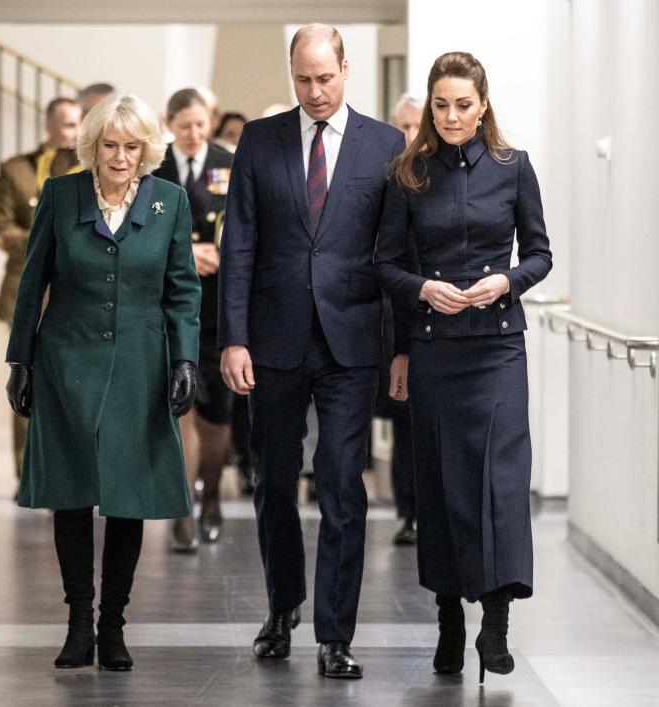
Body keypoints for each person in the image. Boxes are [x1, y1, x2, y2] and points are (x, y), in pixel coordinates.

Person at [218, 24, 405, 679]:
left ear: (346, 70)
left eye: (325, 78)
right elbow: (238, 242)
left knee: (341, 484)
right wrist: (233, 337)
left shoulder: (386, 145)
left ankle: (335, 633)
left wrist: (400, 346)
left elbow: (398, 253)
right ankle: (282, 606)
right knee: (273, 480)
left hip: (352, 341)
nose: (315, 91)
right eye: (303, 79)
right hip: (272, 338)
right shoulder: (260, 141)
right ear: (290, 75)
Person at [5, 94, 200, 671]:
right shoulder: (63, 196)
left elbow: (183, 287)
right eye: (110, 145)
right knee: (71, 491)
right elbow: (32, 278)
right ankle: (77, 624)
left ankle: (112, 625)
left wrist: (186, 360)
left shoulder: (171, 201)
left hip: (141, 364)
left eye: (132, 146)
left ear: (147, 149)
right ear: (92, 145)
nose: (120, 157)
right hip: (66, 360)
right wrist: (20, 361)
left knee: (127, 496)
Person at [375, 51, 552, 683]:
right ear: (430, 106)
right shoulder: (408, 174)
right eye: (442, 105)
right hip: (433, 349)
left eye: (464, 105)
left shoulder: (513, 168)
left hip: (497, 348)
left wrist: (506, 280)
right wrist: (422, 290)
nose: (452, 116)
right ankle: (450, 620)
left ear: (483, 106)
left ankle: (496, 627)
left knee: (501, 484)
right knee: (444, 486)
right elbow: (385, 266)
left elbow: (540, 254)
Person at [154, 88, 235, 552]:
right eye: (184, 125)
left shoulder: (230, 162)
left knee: (216, 415)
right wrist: (185, 252)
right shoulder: (154, 165)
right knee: (178, 408)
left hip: (219, 304)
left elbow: (248, 231)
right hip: (169, 306)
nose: (193, 134)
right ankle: (182, 511)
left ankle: (212, 501)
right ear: (170, 122)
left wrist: (218, 254)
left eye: (201, 125)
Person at [0, 96, 82, 485]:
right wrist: (44, 242)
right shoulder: (17, 169)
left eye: (76, 124)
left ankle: (73, 471)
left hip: (77, 289)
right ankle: (29, 473)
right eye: (63, 123)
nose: (69, 132)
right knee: (27, 379)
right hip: (25, 285)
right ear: (48, 124)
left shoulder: (92, 169)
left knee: (75, 384)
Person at [379, 91, 426, 546]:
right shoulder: (390, 177)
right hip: (395, 320)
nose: (409, 136)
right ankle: (408, 512)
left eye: (416, 126)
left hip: (437, 316)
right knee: (403, 423)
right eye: (403, 127)